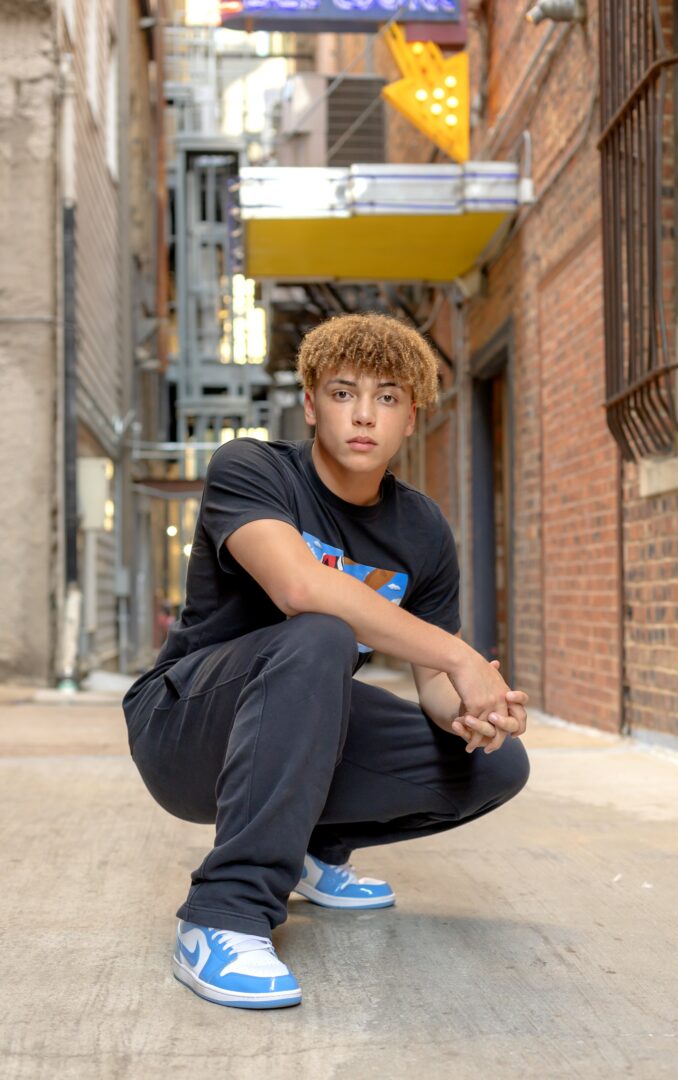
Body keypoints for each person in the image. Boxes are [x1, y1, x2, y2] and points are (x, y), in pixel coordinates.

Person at [122, 313, 530, 1011]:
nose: (364, 415)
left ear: (411, 418)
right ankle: (223, 914)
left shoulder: (422, 529)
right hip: (183, 726)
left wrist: (471, 711)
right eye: (344, 394)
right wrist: (463, 656)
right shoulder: (250, 468)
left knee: (495, 766)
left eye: (388, 398)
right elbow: (300, 588)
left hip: (297, 727)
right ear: (311, 405)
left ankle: (312, 844)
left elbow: (434, 683)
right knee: (320, 635)